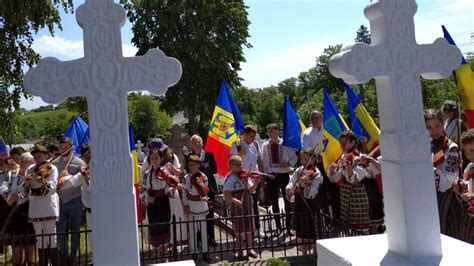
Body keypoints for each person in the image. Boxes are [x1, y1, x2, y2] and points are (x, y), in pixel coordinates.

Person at [424, 108, 462, 239]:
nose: (433, 131)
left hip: (447, 200)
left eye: (437, 126)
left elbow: (447, 182)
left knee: (447, 235)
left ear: (443, 123)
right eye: (429, 127)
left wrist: (427, 171)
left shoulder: (451, 148)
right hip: (430, 198)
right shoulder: (426, 145)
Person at [21, 144, 59, 266]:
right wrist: (26, 183)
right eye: (35, 156)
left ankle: (55, 263)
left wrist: (41, 181)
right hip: (35, 206)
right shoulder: (30, 169)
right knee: (40, 239)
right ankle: (43, 263)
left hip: (48, 205)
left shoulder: (52, 168)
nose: (37, 158)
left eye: (40, 155)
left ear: (46, 155)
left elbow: (52, 188)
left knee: (52, 238)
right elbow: (24, 191)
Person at [328, 131, 371, 233]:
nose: (342, 145)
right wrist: (332, 171)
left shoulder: (359, 157)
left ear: (353, 143)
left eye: (345, 142)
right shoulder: (344, 157)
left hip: (357, 194)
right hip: (345, 194)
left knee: (360, 228)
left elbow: (354, 179)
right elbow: (336, 178)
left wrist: (349, 167)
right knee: (348, 226)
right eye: (341, 142)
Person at [261, 123, 297, 236]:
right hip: (272, 175)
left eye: (272, 131)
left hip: (283, 174)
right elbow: (263, 159)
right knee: (274, 202)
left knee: (287, 200)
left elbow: (294, 157)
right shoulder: (265, 145)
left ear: (277, 131)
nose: (270, 133)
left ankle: (288, 226)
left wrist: (288, 163)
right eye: (269, 131)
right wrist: (266, 173)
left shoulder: (285, 143)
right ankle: (278, 227)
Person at [285, 148, 323, 255]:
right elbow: (291, 182)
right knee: (301, 231)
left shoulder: (317, 173)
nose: (304, 161)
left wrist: (303, 186)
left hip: (311, 205)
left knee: (314, 230)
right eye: (302, 158)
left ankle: (316, 253)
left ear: (313, 159)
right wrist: (289, 188)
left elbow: (312, 193)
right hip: (299, 204)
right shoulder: (298, 171)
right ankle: (304, 254)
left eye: (307, 158)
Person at [230, 125, 265, 238]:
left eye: (254, 136)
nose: (252, 138)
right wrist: (239, 154)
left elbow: (259, 160)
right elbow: (231, 161)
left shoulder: (255, 144)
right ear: (244, 134)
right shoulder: (236, 144)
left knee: (254, 204)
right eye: (251, 136)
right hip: (242, 178)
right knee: (243, 205)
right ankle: (244, 231)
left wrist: (262, 174)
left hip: (254, 176)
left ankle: (257, 228)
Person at [54, 137, 85, 263]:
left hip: (75, 199)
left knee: (75, 230)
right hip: (60, 201)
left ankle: (73, 255)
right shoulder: (54, 163)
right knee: (60, 231)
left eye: (66, 146)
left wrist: (68, 177)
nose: (63, 149)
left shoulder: (79, 162)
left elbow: (82, 178)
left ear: (71, 146)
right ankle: (64, 255)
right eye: (61, 147)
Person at [223, 155, 260, 259]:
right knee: (239, 230)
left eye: (241, 164)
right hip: (237, 205)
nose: (241, 166)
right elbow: (226, 192)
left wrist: (256, 183)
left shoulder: (245, 176)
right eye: (238, 164)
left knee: (249, 228)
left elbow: (251, 190)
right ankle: (239, 251)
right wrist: (234, 200)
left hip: (247, 203)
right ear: (231, 166)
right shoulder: (230, 177)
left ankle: (250, 249)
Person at [57, 144, 92, 248]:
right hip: (89, 211)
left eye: (89, 157)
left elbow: (95, 188)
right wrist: (62, 180)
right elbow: (72, 181)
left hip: (100, 211)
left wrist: (86, 177)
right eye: (85, 157)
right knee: (92, 238)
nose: (87, 160)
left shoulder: (101, 169)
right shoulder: (85, 170)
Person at [6, 152, 36, 266]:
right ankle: (17, 262)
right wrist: (9, 197)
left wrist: (18, 198)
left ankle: (29, 261)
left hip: (27, 208)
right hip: (13, 208)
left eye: (26, 161)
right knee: (16, 236)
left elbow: (32, 192)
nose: (23, 163)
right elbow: (5, 187)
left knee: (29, 236)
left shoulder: (33, 174)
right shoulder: (12, 174)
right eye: (22, 161)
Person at [188, 134, 218, 246]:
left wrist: (201, 171)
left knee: (210, 214)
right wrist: (203, 167)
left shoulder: (209, 155)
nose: (197, 144)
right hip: (196, 190)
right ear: (191, 145)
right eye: (195, 142)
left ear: (202, 143)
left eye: (199, 141)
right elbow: (189, 170)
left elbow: (214, 168)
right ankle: (199, 239)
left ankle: (211, 238)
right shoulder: (190, 156)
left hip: (209, 188)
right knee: (198, 214)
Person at [182, 154, 211, 263]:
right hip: (191, 206)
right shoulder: (186, 178)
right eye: (190, 165)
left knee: (203, 231)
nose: (192, 167)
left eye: (194, 165)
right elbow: (184, 193)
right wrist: (186, 205)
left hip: (201, 206)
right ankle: (193, 251)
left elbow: (205, 190)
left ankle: (205, 251)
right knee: (193, 231)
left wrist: (203, 192)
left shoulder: (203, 176)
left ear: (198, 165)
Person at [143, 149, 172, 253]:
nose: (154, 160)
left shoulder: (166, 172)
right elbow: (143, 190)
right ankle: (156, 250)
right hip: (153, 203)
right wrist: (147, 198)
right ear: (149, 160)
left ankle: (164, 248)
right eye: (152, 158)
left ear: (161, 159)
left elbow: (170, 187)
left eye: (156, 158)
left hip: (163, 201)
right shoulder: (146, 174)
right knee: (154, 226)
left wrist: (173, 187)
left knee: (164, 224)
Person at [455, 129, 474, 244]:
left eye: (472, 150)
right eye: (466, 152)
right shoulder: (469, 168)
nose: (469, 155)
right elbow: (464, 196)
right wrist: (459, 190)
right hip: (468, 220)